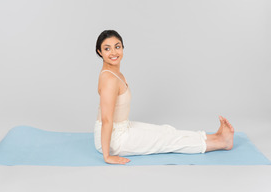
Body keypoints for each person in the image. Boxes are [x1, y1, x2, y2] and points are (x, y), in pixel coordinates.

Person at [94, 30, 235, 165]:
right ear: (100, 52)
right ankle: (222, 142)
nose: (113, 52)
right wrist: (107, 156)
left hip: (122, 127)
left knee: (166, 131)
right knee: (166, 141)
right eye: (107, 49)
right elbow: (107, 119)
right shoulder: (110, 80)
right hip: (114, 139)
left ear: (123, 48)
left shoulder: (115, 73)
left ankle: (215, 137)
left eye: (117, 47)